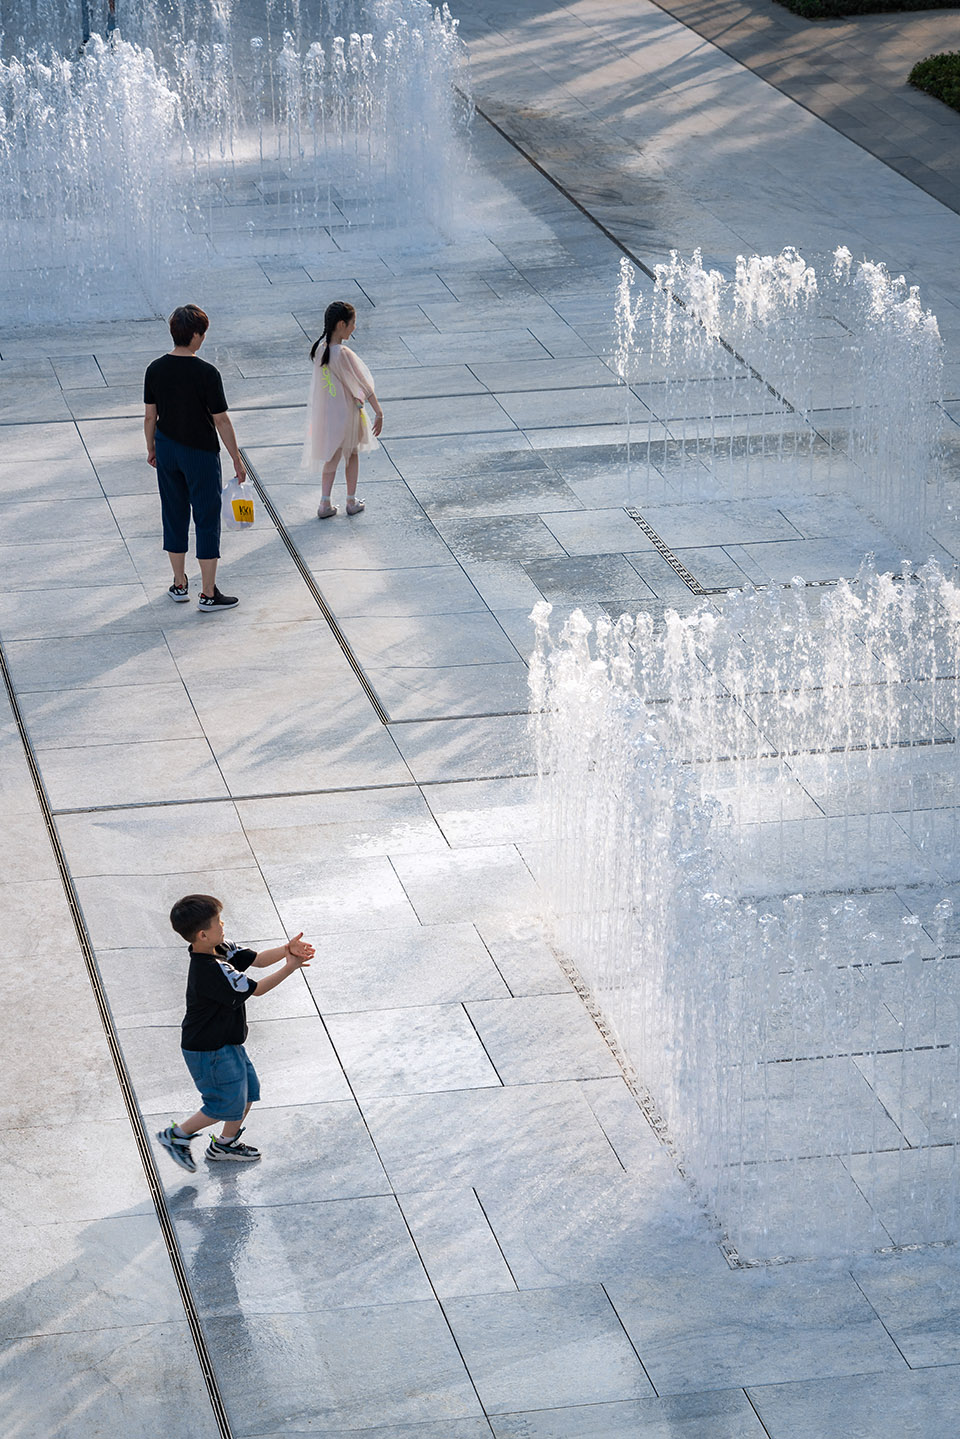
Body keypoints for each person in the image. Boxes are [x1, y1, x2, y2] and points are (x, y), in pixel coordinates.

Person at [156, 894, 314, 1170]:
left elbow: (258, 960)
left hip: (226, 1042)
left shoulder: (220, 948)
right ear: (203, 934)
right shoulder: (211, 971)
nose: (223, 924)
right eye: (218, 922)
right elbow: (258, 989)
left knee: (248, 1093)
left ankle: (224, 1145)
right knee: (221, 1105)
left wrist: (285, 949)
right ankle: (176, 1136)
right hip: (208, 1050)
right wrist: (290, 967)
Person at [143, 304, 246, 612]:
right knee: (206, 517)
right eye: (203, 333)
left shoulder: (155, 369)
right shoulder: (206, 373)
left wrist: (151, 448)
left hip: (166, 448)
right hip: (200, 453)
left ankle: (179, 583)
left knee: (173, 513)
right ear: (196, 335)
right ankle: (209, 593)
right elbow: (222, 421)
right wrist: (237, 460)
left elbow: (150, 417)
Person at [301, 299, 384, 518]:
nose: (354, 327)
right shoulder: (343, 353)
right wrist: (378, 411)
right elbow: (364, 384)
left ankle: (324, 502)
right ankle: (351, 500)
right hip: (347, 415)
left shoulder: (320, 350)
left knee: (331, 459)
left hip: (328, 415)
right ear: (341, 325)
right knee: (352, 454)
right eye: (352, 323)